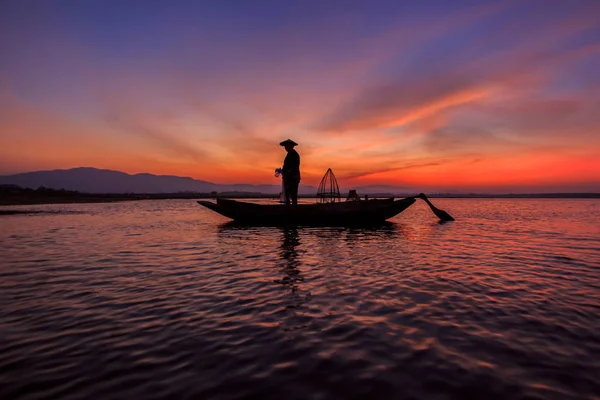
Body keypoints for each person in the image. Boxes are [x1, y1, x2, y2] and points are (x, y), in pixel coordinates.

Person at [279, 139, 301, 205]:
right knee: (287, 194)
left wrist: (287, 172)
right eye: (285, 146)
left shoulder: (295, 155)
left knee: (293, 194)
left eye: (287, 146)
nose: (285, 148)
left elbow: (294, 167)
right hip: (288, 178)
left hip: (293, 178)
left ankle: (293, 210)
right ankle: (288, 208)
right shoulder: (288, 155)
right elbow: (285, 166)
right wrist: (282, 170)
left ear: (291, 146)